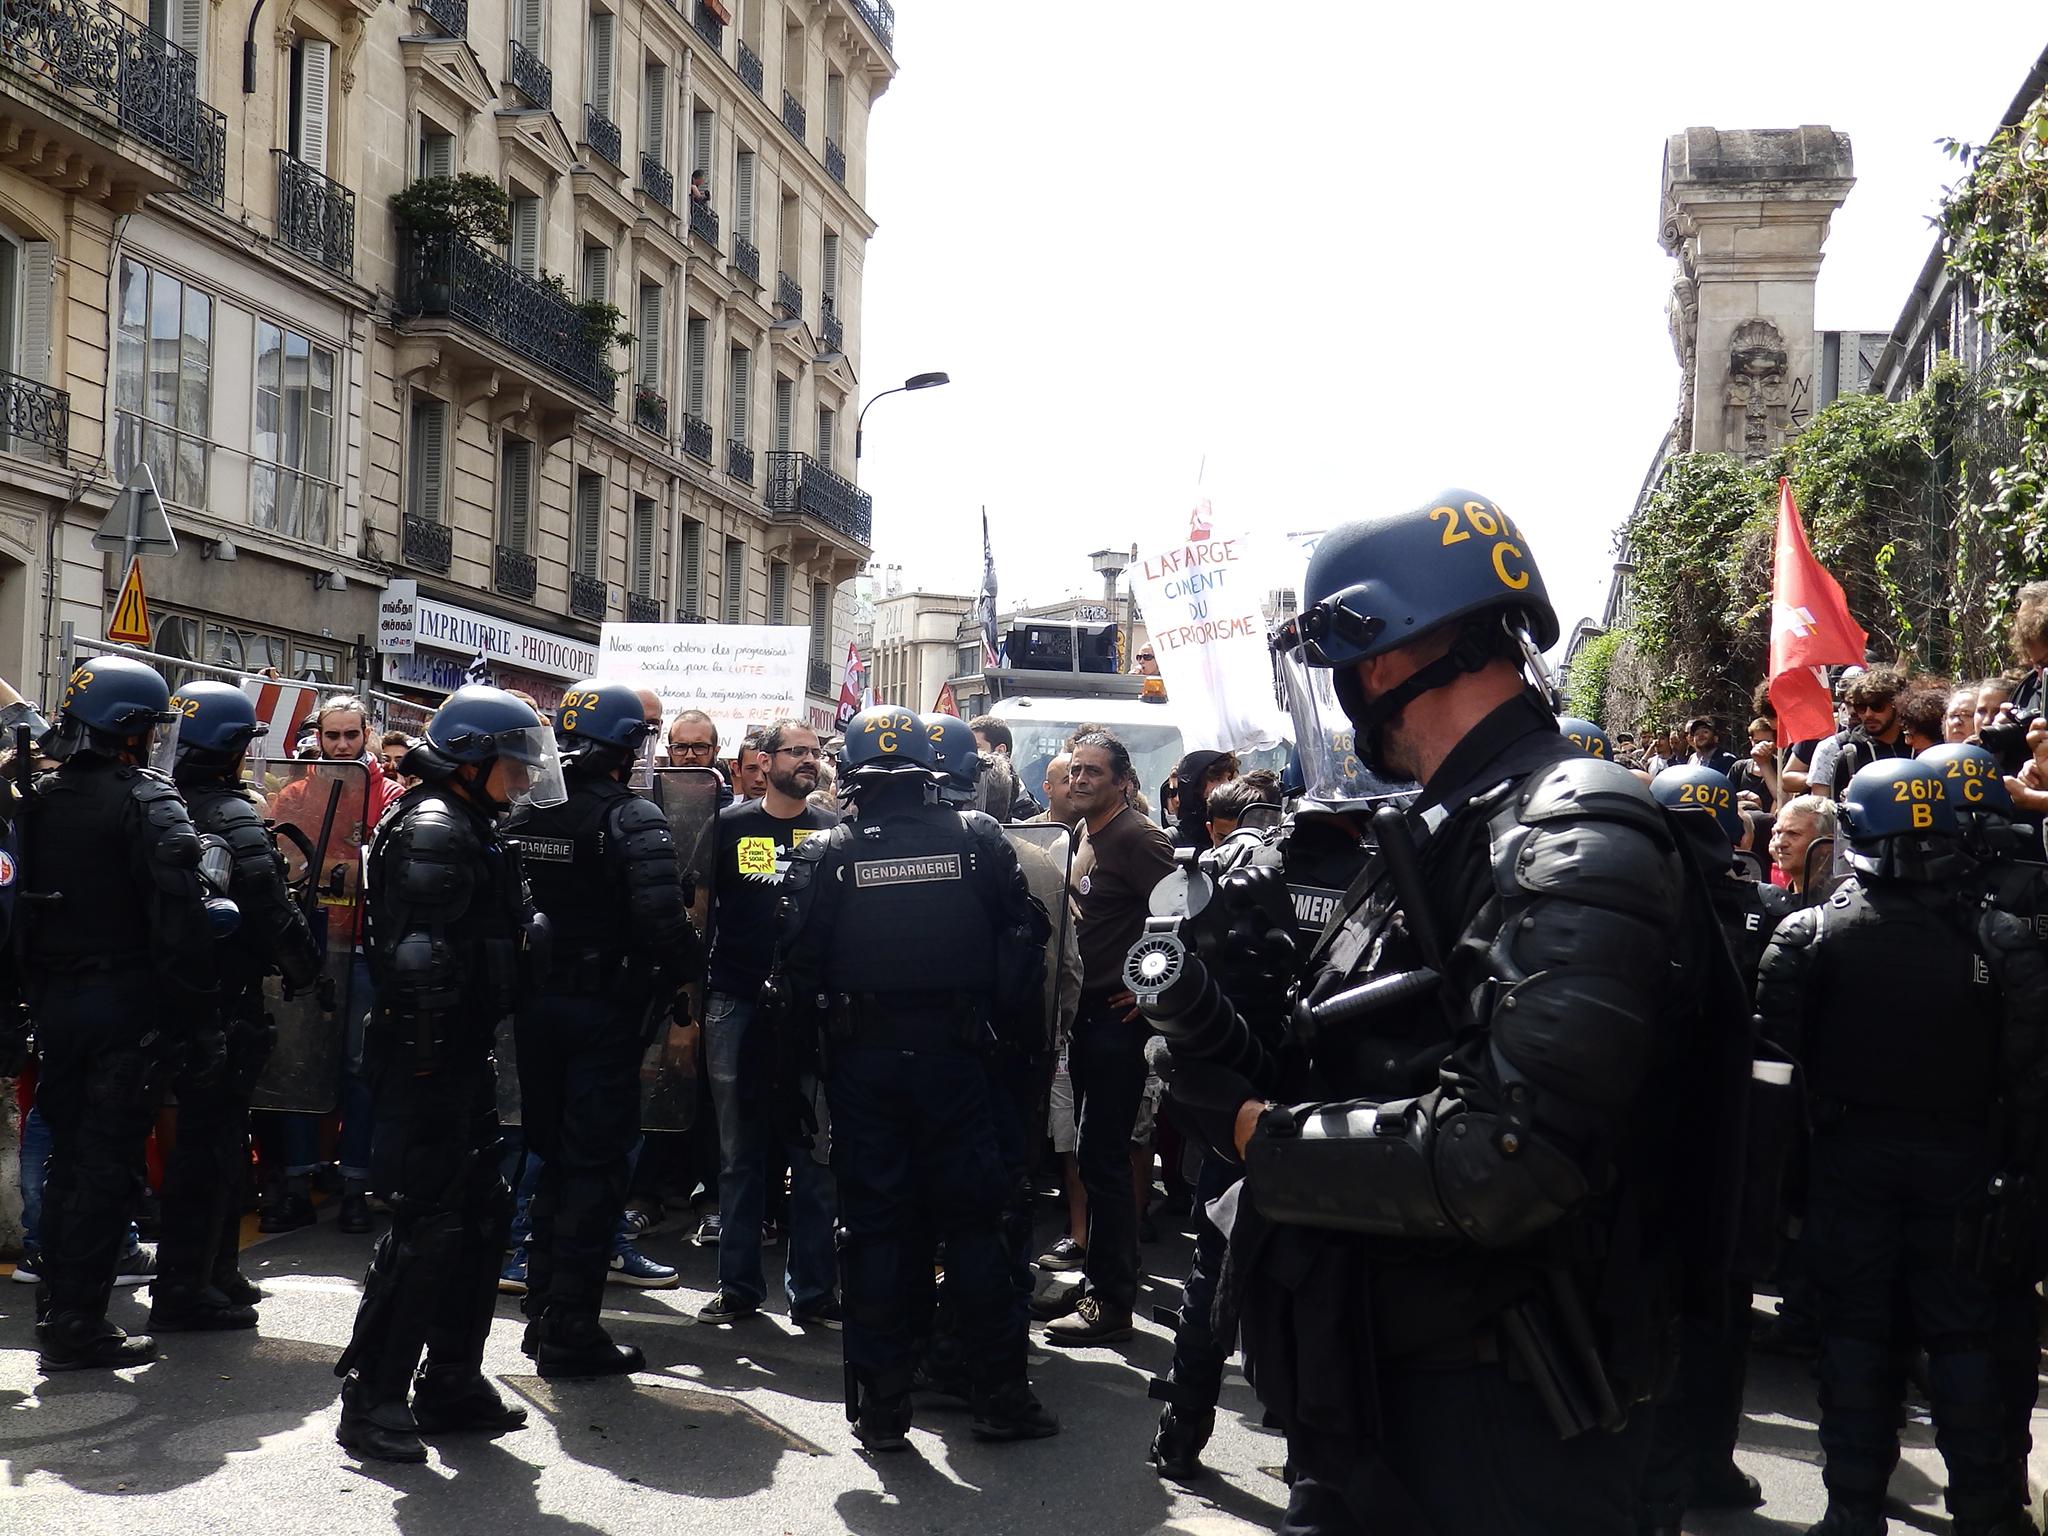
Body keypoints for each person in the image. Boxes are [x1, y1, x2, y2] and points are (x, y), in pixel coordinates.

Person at [1216, 487, 1739, 1534]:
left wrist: (1254, 1137)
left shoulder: (1569, 822)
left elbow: (1509, 1157)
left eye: (1345, 669)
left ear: (1380, 663)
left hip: (1508, 1428)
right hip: (1401, 1397)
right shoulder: (1457, 824)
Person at [1755, 756, 2048, 1536]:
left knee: (1856, 1339)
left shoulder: (1808, 935)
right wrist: (2019, 1176)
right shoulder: (2002, 936)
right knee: (1965, 1341)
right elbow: (2031, 1081)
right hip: (1965, 1166)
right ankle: (1986, 1512)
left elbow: (1777, 1084)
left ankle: (1852, 1509)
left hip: (1851, 1165)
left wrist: (1783, 1194)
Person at [781, 706, 1056, 1449]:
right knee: (974, 1228)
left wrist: (798, 1084)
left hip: (863, 1067)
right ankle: (1001, 1398)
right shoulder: (977, 840)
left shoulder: (830, 852)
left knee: (875, 1232)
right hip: (958, 1060)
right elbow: (1026, 937)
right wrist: (1002, 1037)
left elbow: (795, 974)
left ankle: (882, 1409)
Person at [334, 685, 564, 1463]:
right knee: (427, 1229)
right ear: (472, 761)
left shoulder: (467, 819)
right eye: (513, 763)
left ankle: (450, 1384)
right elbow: (419, 962)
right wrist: (435, 1065)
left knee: (480, 1217)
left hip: (458, 1055)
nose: (525, 778)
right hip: (428, 1060)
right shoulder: (437, 825)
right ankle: (372, 1400)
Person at [17, 656, 216, 1371]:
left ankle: (59, 1308)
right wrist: (195, 1018)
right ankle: (78, 1324)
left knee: (71, 1157)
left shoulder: (32, 798)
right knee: (105, 1165)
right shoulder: (147, 801)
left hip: (54, 1005)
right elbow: (182, 924)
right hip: (124, 1007)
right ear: (131, 728)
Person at [502, 680, 702, 1377]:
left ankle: (543, 1314)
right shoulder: (631, 817)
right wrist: (690, 966)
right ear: (626, 749)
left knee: (554, 1157)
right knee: (594, 1167)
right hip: (605, 1016)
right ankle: (570, 1330)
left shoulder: (530, 810)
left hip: (538, 1009)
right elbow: (661, 921)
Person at [153, 683, 324, 1332]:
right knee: (211, 1145)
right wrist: (308, 970)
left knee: (213, 1143)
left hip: (169, 996)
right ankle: (185, 1286)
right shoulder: (231, 812)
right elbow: (269, 903)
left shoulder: (157, 803)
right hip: (223, 1001)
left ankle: (214, 1271)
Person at [1638, 764, 1774, 1533]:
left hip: (1651, 1147)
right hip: (1741, 1152)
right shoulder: (1772, 910)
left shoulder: (1636, 908)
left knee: (1646, 1311)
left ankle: (1653, 1481)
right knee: (1721, 1311)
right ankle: (1709, 1466)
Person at [699, 720, 839, 1327]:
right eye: (797, 752)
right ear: (765, 759)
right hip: (735, 1004)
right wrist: (688, 1006)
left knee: (811, 1157)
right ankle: (737, 1287)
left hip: (810, 1013)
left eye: (816, 753)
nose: (809, 761)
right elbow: (700, 915)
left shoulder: (836, 831)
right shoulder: (730, 825)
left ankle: (812, 1294)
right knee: (740, 1153)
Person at [1042, 728, 1176, 1347]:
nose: (1081, 779)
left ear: (1123, 781)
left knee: (1106, 1160)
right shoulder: (1081, 836)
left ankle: (1112, 1303)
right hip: (1082, 1017)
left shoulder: (1138, 838)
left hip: (1116, 1025)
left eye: (1094, 771)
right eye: (1076, 771)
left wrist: (1151, 993)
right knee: (1092, 1159)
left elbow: (1186, 920)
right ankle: (1100, 1282)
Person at [262, 692, 402, 1234]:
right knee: (299, 1063)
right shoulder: (293, 794)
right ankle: (297, 1182)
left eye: (351, 734)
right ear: (318, 737)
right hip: (310, 947)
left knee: (358, 1069)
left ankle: (355, 1186)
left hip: (365, 951)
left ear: (367, 734)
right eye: (332, 735)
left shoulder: (390, 796)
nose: (341, 744)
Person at [1805, 666, 1910, 801]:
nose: (1868, 714)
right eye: (1861, 707)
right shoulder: (1849, 756)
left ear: (1897, 705)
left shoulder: (1918, 746)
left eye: (1877, 706)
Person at [1768, 793, 1841, 899]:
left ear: (1826, 844)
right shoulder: (1776, 900)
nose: (1780, 843)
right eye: (1778, 832)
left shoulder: (1838, 902)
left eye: (1793, 834)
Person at [730, 733, 768, 801]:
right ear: (737, 769)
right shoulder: (724, 811)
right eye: (751, 769)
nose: (759, 779)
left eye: (766, 769)